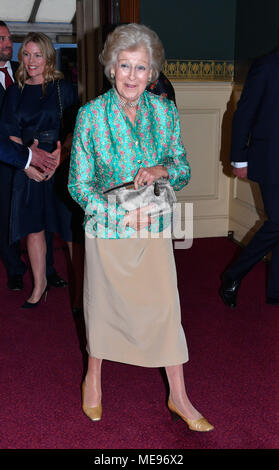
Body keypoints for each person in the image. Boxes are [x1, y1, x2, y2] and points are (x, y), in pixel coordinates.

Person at [68, 23, 214, 431]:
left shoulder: (164, 111)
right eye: (124, 66)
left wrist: (161, 168)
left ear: (152, 73)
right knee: (103, 309)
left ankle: (179, 395)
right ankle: (93, 378)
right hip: (108, 228)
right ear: (111, 68)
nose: (132, 76)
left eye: (141, 68)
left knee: (167, 309)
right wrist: (120, 216)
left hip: (152, 226)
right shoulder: (91, 116)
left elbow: (183, 168)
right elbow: (78, 185)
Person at [1, 31, 81, 308]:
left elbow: (75, 129)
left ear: (49, 57)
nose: (31, 60)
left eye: (38, 54)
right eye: (26, 54)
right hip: (28, 164)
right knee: (33, 229)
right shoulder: (15, 91)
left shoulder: (64, 89)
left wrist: (61, 156)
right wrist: (26, 165)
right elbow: (9, 132)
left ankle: (82, 290)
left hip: (60, 163)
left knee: (69, 229)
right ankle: (39, 285)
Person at [219, 49, 279, 308]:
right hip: (270, 159)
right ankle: (232, 275)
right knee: (278, 222)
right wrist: (239, 159)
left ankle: (275, 291)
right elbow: (243, 113)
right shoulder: (266, 65)